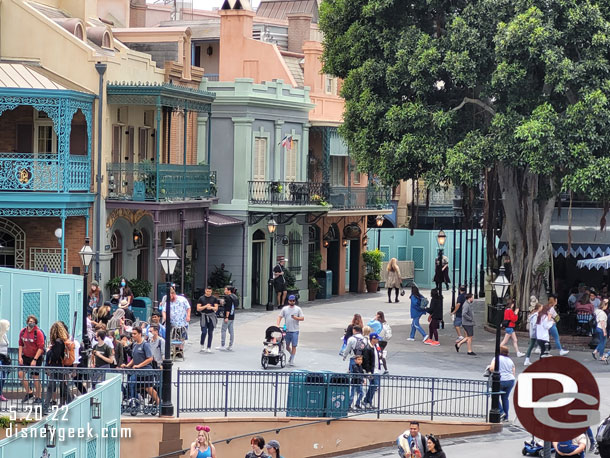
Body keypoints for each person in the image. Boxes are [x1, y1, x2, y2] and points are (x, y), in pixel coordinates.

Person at [121, 327, 159, 405]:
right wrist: (127, 366)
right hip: (137, 371)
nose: (133, 335)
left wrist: (139, 366)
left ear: (140, 334)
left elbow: (150, 358)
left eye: (135, 334)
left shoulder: (145, 345)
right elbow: (134, 358)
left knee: (149, 388)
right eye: (132, 334)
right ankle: (135, 403)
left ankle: (159, 404)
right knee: (132, 384)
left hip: (146, 371)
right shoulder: (134, 345)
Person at [18, 314, 44, 403]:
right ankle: (29, 392)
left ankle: (38, 396)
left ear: (35, 323)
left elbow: (41, 347)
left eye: (33, 322)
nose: (31, 323)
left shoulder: (38, 332)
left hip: (36, 356)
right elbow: (20, 344)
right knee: (20, 374)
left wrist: (35, 359)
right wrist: (20, 356)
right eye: (30, 321)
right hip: (26, 356)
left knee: (35, 377)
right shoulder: (23, 332)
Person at [44, 322, 68, 407]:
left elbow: (55, 356)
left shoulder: (58, 342)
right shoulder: (61, 341)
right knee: (61, 386)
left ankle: (46, 406)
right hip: (58, 366)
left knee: (53, 387)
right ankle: (68, 402)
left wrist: (49, 351)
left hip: (56, 367)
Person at [489, 345, 515, 421]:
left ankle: (501, 411)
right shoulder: (510, 360)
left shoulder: (496, 358)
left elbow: (492, 368)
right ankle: (506, 417)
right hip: (510, 380)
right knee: (505, 398)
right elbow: (513, 371)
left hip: (501, 379)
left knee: (494, 396)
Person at [277, 295, 304, 366]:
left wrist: (296, 318)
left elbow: (302, 318)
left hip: (295, 330)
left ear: (295, 301)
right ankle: (291, 353)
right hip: (287, 330)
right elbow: (280, 316)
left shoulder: (298, 309)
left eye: (293, 301)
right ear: (288, 301)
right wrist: (277, 324)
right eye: (290, 301)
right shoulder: (285, 309)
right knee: (287, 346)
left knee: (294, 345)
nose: (292, 302)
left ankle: (292, 359)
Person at [362, 332, 382, 409]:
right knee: (374, 385)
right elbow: (366, 361)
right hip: (373, 370)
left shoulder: (375, 347)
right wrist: (369, 371)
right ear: (372, 339)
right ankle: (367, 401)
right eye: (376, 339)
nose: (377, 340)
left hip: (376, 369)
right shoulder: (368, 348)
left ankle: (367, 401)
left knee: (373, 386)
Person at [197, 286, 219, 353]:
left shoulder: (214, 298)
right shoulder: (201, 298)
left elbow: (216, 308)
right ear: (205, 291)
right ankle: (202, 344)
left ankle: (209, 346)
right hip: (204, 316)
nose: (208, 292)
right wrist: (205, 306)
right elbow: (198, 308)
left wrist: (211, 308)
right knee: (204, 331)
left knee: (210, 332)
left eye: (210, 291)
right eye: (207, 291)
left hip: (211, 316)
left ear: (211, 291)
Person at [217, 286, 237, 351]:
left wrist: (226, 317)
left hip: (228, 316)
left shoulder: (228, 297)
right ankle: (230, 345)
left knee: (223, 330)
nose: (224, 290)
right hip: (232, 316)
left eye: (225, 289)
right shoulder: (234, 296)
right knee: (231, 331)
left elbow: (228, 308)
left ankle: (222, 345)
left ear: (229, 290)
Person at [0, 319, 9, 401]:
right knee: (0, 377)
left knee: (3, 376)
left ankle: (1, 393)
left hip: (4, 357)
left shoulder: (4, 335)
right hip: (0, 357)